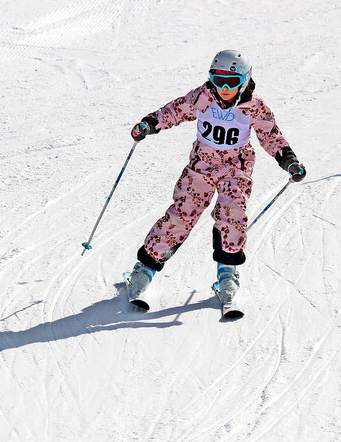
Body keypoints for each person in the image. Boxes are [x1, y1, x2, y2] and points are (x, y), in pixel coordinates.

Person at [125, 49, 306, 308]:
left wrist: (288, 160)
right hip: (202, 166)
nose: (223, 87)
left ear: (244, 80)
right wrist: (149, 124)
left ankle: (227, 274)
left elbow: (270, 135)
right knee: (182, 214)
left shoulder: (254, 106)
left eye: (230, 82)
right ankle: (144, 269)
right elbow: (175, 111)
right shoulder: (203, 96)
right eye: (217, 79)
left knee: (232, 215)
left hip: (236, 167)